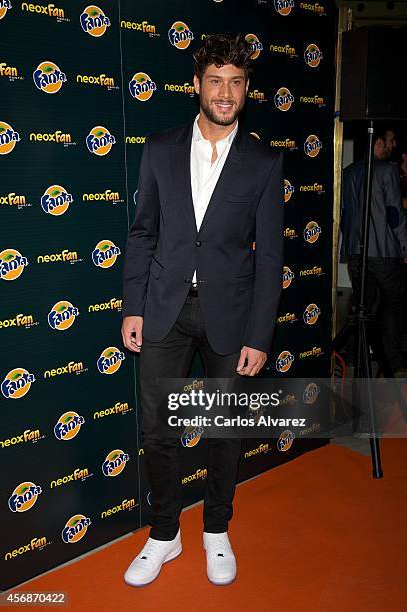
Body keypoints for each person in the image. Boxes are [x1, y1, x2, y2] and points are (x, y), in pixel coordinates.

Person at [121, 33, 283, 587]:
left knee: (224, 431)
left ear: (246, 90)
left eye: (236, 82)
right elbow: (142, 235)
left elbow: (271, 258)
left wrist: (260, 335)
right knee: (159, 431)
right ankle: (165, 533)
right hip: (164, 309)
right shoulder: (160, 148)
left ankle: (217, 528)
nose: (225, 92)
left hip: (231, 317)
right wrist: (132, 307)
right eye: (215, 80)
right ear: (196, 84)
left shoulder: (263, 162)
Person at [340, 127, 407, 372]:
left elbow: (345, 215)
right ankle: (394, 361)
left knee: (363, 306)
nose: (393, 144)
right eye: (390, 140)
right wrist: (405, 245)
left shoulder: (348, 173)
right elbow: (393, 214)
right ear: (378, 141)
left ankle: (357, 356)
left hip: (356, 253)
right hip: (384, 252)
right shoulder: (387, 170)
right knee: (393, 304)